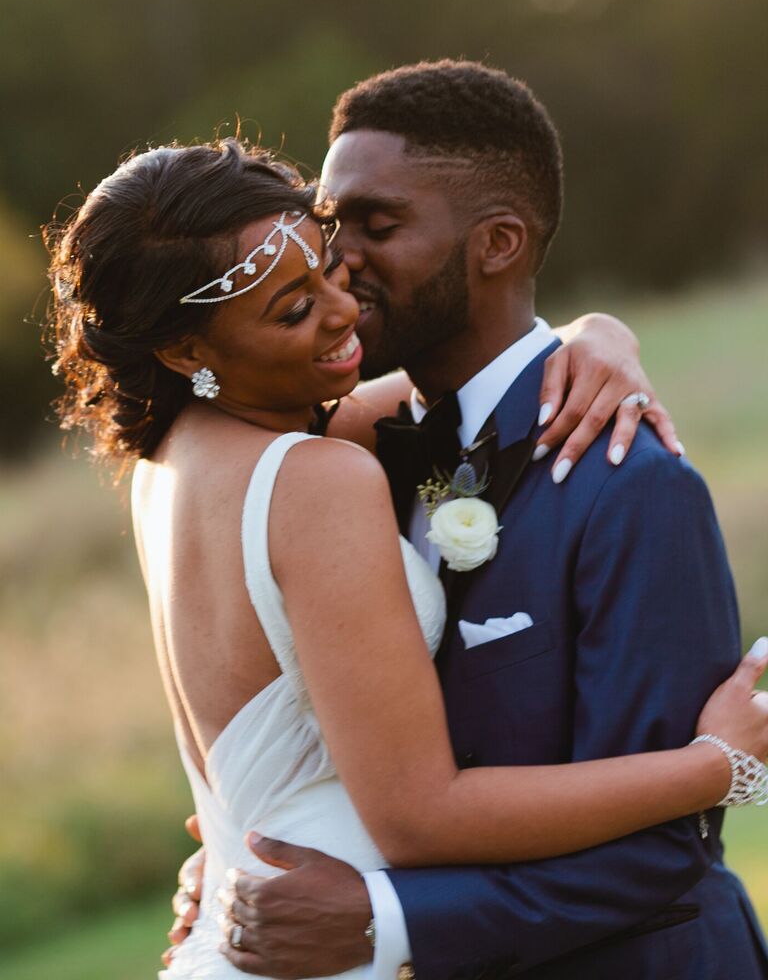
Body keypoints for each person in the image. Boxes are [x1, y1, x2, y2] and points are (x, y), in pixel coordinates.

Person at [44, 116, 766, 980]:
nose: (346, 309)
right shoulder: (315, 477)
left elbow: (464, 391)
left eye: (328, 266)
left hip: (252, 923)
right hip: (331, 936)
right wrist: (717, 767)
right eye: (295, 308)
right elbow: (420, 815)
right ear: (187, 349)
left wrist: (594, 334)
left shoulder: (174, 466)